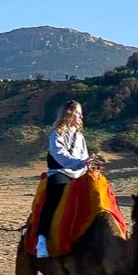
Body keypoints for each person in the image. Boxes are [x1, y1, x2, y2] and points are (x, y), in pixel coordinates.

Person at [35, 100, 95, 260]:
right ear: (69, 113)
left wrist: (88, 165)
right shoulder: (56, 134)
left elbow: (84, 157)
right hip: (60, 172)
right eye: (78, 113)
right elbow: (60, 155)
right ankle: (41, 240)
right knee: (55, 196)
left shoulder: (81, 137)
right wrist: (80, 163)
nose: (81, 116)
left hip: (79, 174)